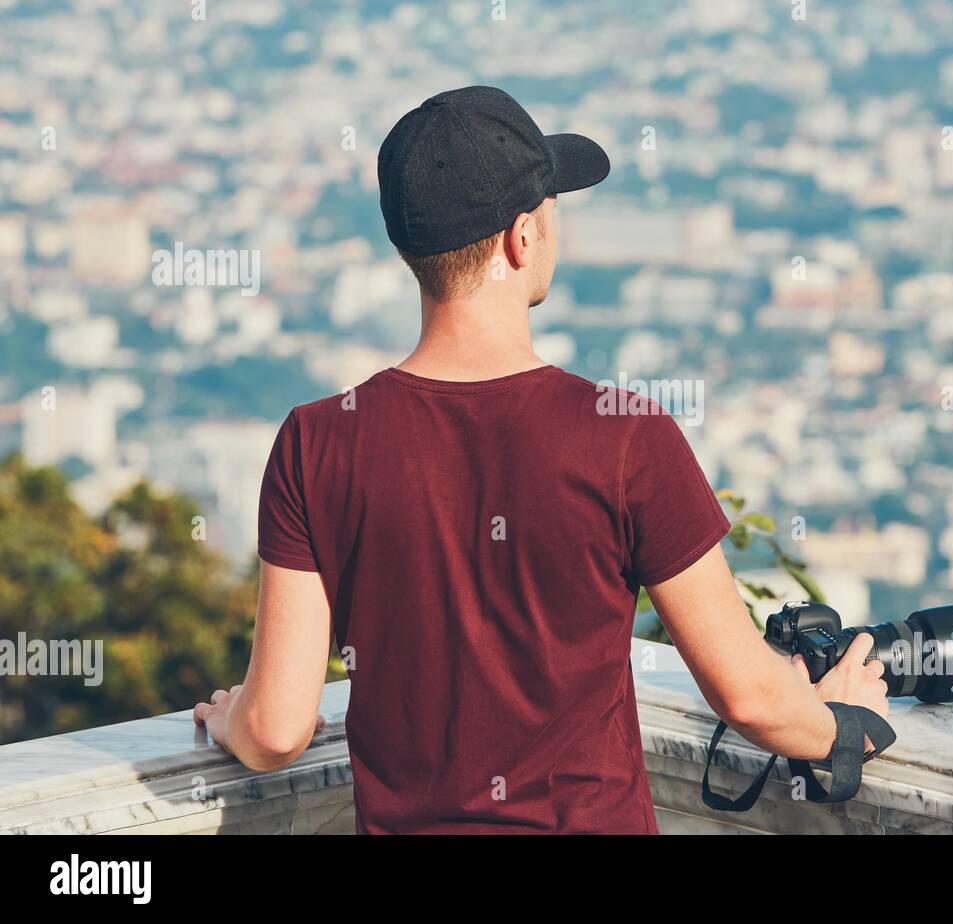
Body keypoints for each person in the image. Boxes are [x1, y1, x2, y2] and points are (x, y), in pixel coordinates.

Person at [193, 86, 889, 834]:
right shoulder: (625, 436)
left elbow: (273, 730)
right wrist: (847, 727)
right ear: (522, 238)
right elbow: (749, 696)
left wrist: (232, 719)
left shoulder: (317, 439)